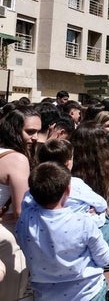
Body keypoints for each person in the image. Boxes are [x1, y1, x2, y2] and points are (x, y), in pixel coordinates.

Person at [16, 162, 109, 300]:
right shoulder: (83, 222)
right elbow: (104, 258)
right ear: (67, 190)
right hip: (88, 293)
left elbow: (26, 204)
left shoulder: (25, 220)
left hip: (45, 295)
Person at [0, 107, 33, 299]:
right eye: (30, 132)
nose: (35, 137)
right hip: (8, 237)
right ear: (14, 130)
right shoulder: (17, 159)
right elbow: (22, 211)